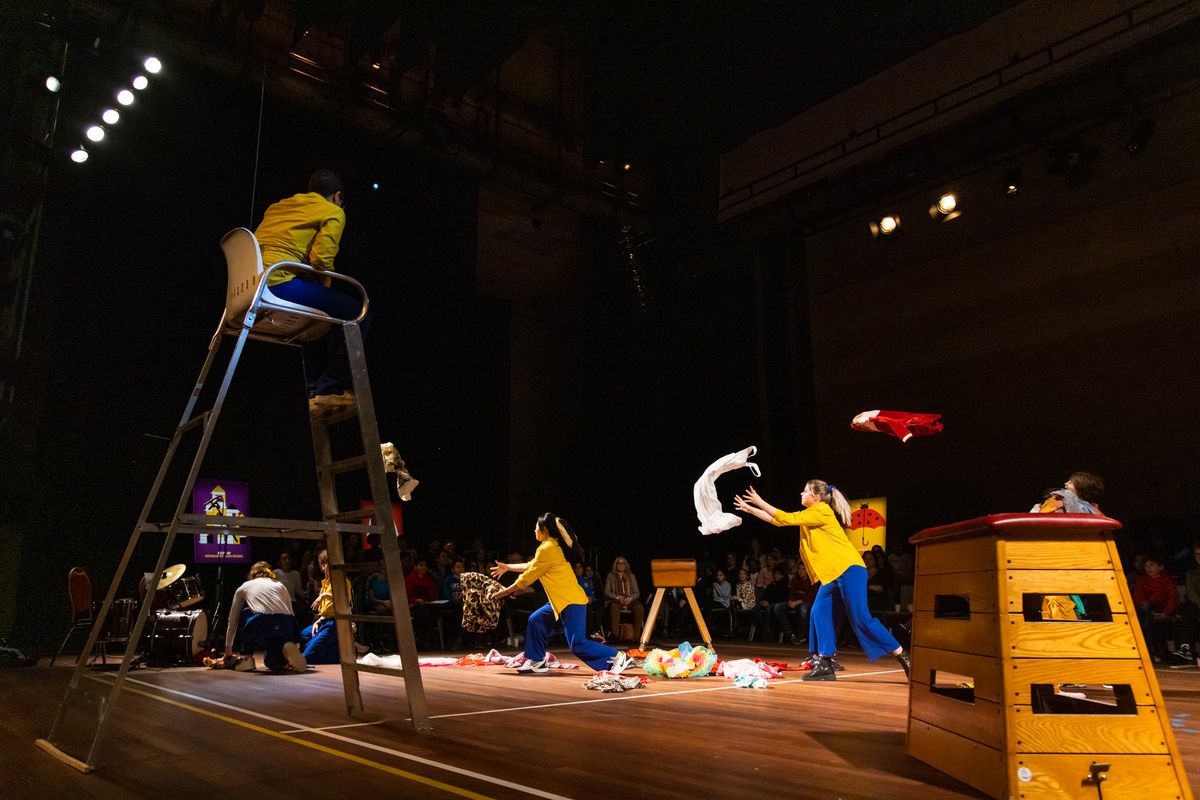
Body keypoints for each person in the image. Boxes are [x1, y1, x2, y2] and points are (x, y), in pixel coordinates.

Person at [735, 480, 910, 681]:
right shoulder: (811, 514)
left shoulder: (822, 511)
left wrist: (759, 501)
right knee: (818, 610)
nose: (801, 493)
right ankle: (825, 661)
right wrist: (750, 509)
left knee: (860, 618)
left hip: (849, 569)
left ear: (816, 497)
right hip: (833, 574)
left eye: (805, 491)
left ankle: (902, 654)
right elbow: (779, 521)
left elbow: (786, 517)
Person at [253, 168, 368, 411]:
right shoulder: (333, 210)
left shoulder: (278, 207)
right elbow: (321, 259)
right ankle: (330, 388)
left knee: (321, 320)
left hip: (251, 287)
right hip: (278, 284)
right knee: (359, 313)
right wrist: (326, 284)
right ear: (338, 196)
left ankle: (315, 389)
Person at [490, 513, 628, 673]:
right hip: (560, 601)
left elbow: (527, 577)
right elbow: (531, 565)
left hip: (571, 601)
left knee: (577, 644)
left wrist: (506, 591)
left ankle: (618, 656)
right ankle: (537, 660)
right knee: (536, 621)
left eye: (536, 527)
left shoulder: (547, 548)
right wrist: (507, 567)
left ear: (544, 529)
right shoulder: (549, 547)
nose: (534, 530)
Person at [221, 561, 306, 672]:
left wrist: (228, 652)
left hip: (262, 623)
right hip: (285, 625)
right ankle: (287, 653)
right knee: (272, 663)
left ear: (252, 574)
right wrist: (296, 644)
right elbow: (291, 615)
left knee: (246, 612)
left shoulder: (245, 586)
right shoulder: (280, 585)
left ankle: (247, 657)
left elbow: (232, 621)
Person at [300, 548, 352, 664]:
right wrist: (318, 621)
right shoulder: (325, 585)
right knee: (303, 635)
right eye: (330, 563)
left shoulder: (342, 581)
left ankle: (337, 653)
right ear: (322, 566)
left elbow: (342, 599)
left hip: (336, 623)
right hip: (325, 621)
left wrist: (324, 596)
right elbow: (327, 610)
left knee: (307, 657)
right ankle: (333, 648)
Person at [1133, 554, 1179, 661]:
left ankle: (1152, 652)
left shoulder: (1167, 580)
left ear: (1160, 567)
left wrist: (1166, 613)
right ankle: (1155, 652)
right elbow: (1138, 599)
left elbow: (1173, 598)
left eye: (1152, 565)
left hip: (1162, 610)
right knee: (1146, 614)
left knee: (1146, 620)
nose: (1149, 568)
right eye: (1146, 565)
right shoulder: (1142, 581)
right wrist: (1150, 612)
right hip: (1147, 611)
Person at [603, 556, 645, 641]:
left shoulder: (631, 576)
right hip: (617, 600)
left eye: (623, 563)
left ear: (626, 565)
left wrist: (630, 598)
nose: (621, 565)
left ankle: (636, 636)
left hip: (630, 600)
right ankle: (615, 634)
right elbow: (606, 592)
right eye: (619, 563)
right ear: (616, 565)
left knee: (639, 608)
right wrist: (618, 597)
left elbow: (637, 593)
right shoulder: (611, 575)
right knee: (614, 606)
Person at [275, 552, 303, 616]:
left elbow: (298, 591)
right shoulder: (276, 573)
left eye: (288, 558)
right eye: (284, 559)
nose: (287, 561)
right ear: (279, 562)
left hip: (292, 603)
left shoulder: (296, 574)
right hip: (279, 602)